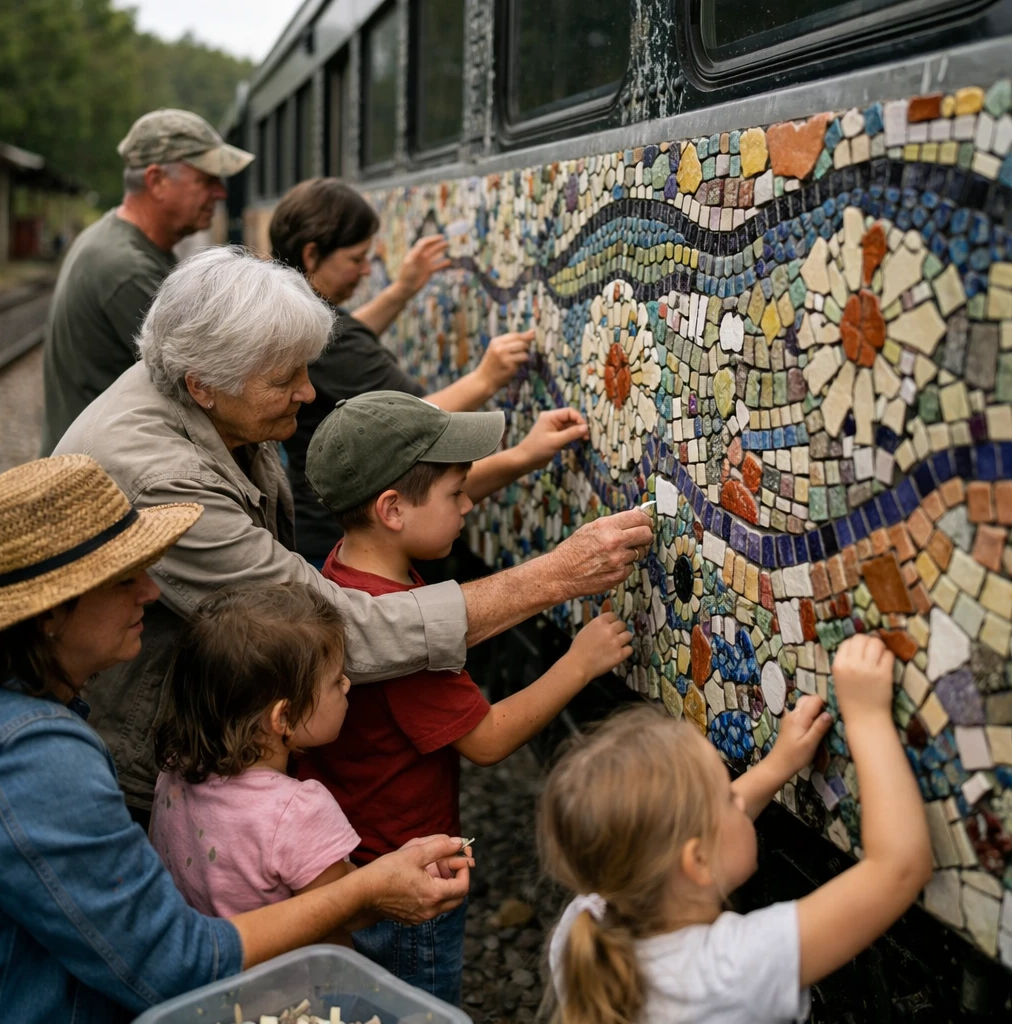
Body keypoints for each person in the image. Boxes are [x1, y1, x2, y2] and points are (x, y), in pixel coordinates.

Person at [53, 246, 654, 822]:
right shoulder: (166, 479)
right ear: (202, 384)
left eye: (306, 370)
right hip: (143, 755)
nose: (309, 392)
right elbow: (330, 635)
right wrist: (557, 574)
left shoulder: (211, 394)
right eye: (285, 378)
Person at [0, 455, 471, 1023]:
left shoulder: (135, 748)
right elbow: (176, 962)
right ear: (48, 616)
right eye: (124, 578)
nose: (149, 590)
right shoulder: (35, 760)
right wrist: (369, 890)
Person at [296, 389, 635, 1003]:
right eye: (456, 494)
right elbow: (488, 738)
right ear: (392, 510)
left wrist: (527, 455)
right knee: (415, 1007)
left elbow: (438, 512)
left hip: (359, 845)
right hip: (408, 879)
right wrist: (579, 663)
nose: (467, 507)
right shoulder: (401, 637)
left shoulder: (346, 568)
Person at [540, 634, 933, 1024]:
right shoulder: (730, 971)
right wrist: (867, 714)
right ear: (697, 861)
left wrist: (779, 765)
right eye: (727, 798)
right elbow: (897, 868)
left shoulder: (587, 922)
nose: (738, 798)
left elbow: (681, 829)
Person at [269, 177, 588, 562]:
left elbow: (345, 337)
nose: (367, 271)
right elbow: (411, 426)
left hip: (320, 536)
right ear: (311, 255)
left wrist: (402, 290)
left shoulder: (295, 317)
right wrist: (486, 379)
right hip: (331, 541)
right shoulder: (326, 340)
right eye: (356, 259)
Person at [151, 581, 470, 939]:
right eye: (335, 681)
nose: (347, 685)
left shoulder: (175, 769)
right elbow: (343, 911)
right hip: (295, 990)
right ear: (282, 719)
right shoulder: (297, 810)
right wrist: (411, 876)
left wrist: (398, 863)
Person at [40, 108, 253, 453]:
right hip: (96, 480)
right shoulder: (127, 267)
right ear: (156, 181)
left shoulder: (122, 242)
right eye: (206, 180)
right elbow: (209, 384)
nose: (220, 193)